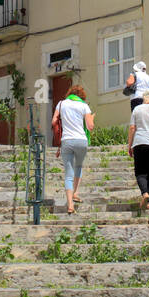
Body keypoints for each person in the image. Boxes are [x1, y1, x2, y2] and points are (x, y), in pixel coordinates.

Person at [52, 84, 94, 215]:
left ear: (70, 93)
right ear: (81, 96)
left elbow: (54, 121)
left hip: (67, 141)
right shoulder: (84, 106)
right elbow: (90, 126)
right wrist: (91, 118)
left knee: (68, 173)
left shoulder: (61, 104)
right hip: (81, 140)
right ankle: (76, 192)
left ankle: (70, 204)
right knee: (79, 166)